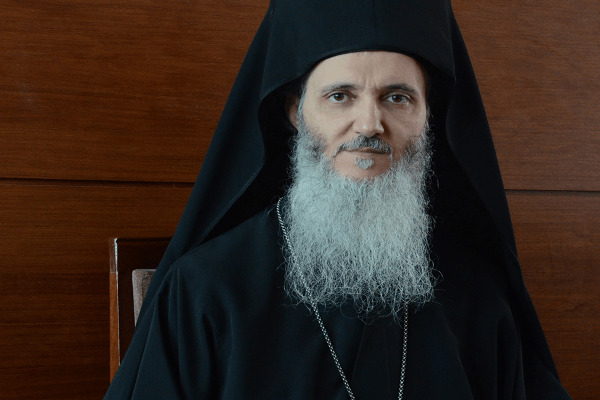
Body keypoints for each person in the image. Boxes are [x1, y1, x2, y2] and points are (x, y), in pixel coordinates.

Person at [105, 1, 572, 399]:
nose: (369, 124)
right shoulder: (206, 290)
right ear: (296, 112)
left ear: (428, 117)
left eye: (397, 98)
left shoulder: (478, 297)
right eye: (340, 96)